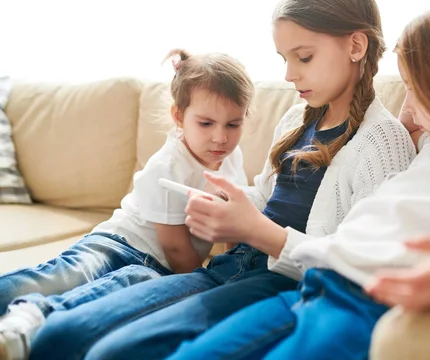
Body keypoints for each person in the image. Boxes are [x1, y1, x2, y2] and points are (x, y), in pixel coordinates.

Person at [165, 0, 430, 360]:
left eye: (415, 87)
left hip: (362, 301)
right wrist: (421, 119)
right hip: (315, 282)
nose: (407, 102)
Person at [29, 0, 416, 360]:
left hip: (278, 282)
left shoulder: (382, 139)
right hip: (231, 264)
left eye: (304, 57)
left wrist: (255, 229)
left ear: (355, 45)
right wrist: (225, 201)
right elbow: (267, 198)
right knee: (59, 335)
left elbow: (360, 261)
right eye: (284, 59)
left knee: (112, 353)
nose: (288, 74)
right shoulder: (297, 119)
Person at [0, 49, 253, 360]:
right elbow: (174, 247)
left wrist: (230, 267)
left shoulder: (232, 160)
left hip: (156, 269)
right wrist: (202, 282)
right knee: (63, 276)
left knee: (111, 293)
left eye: (233, 125)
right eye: (206, 123)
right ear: (179, 117)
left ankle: (28, 324)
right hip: (119, 243)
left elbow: (231, 218)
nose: (220, 138)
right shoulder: (169, 165)